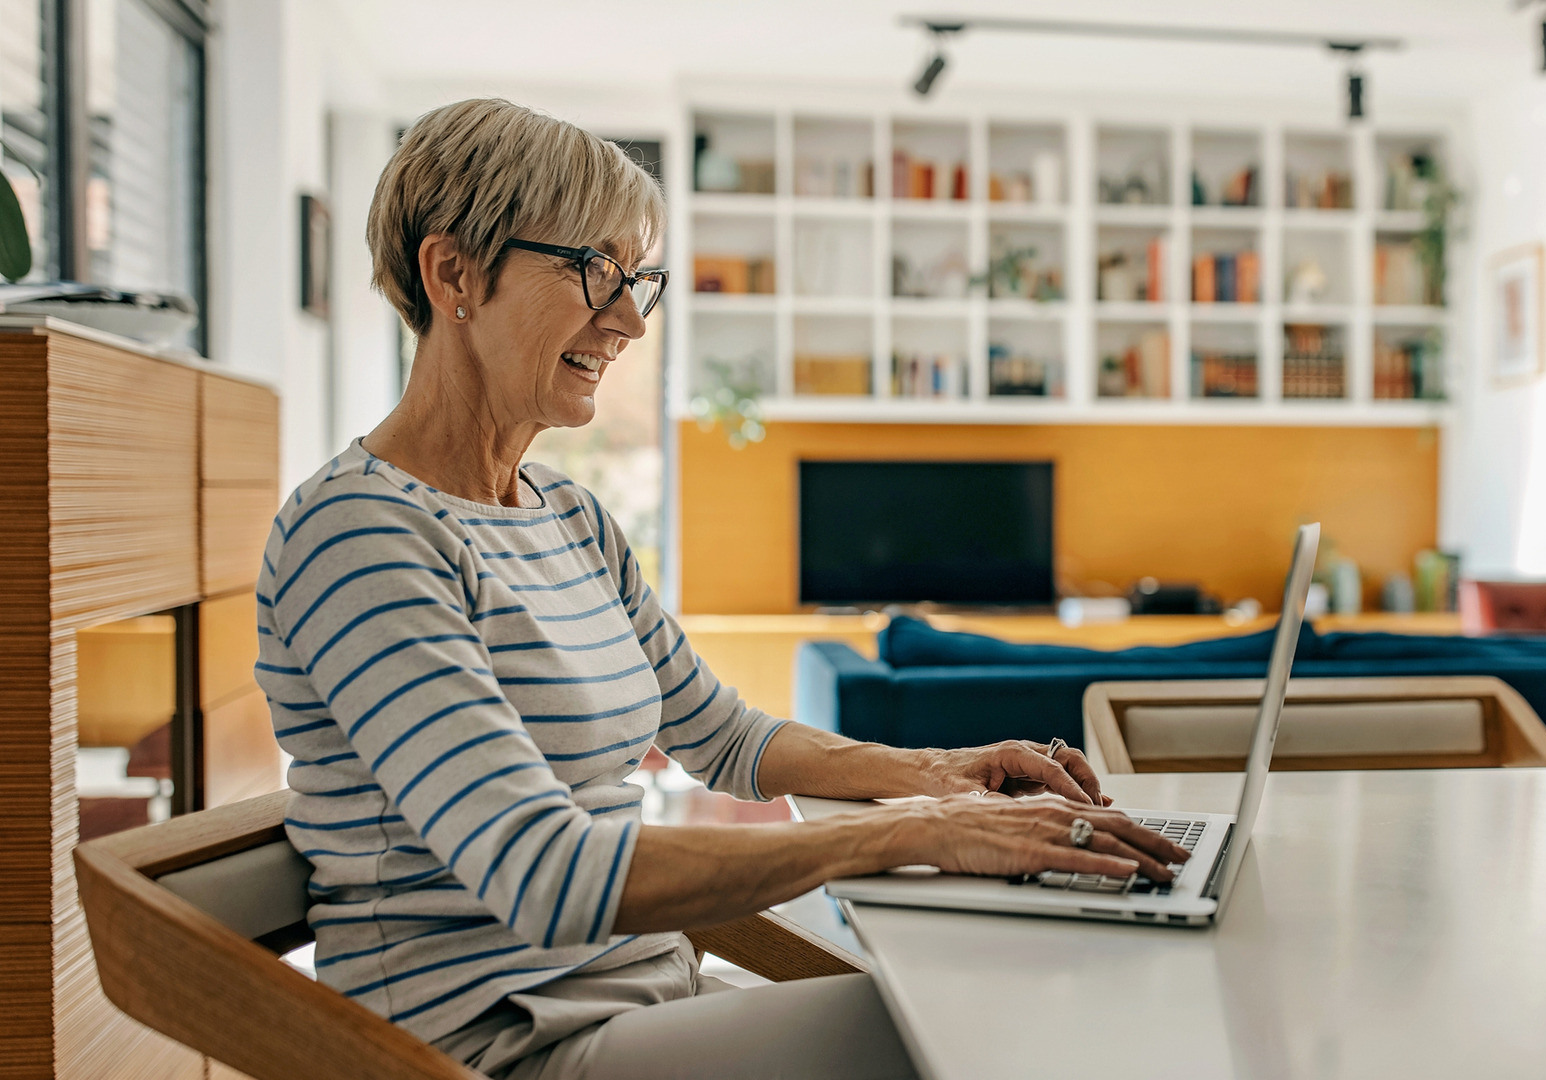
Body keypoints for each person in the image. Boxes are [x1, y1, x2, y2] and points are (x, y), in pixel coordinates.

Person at [254, 98, 1186, 1080]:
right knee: (984, 1031)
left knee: (1010, 988)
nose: (627, 320)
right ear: (453, 273)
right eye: (593, 271)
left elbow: (725, 737)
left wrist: (938, 773)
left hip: (654, 1000)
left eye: (636, 282)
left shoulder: (569, 515)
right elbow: (543, 870)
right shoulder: (359, 534)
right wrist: (918, 832)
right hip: (509, 1045)